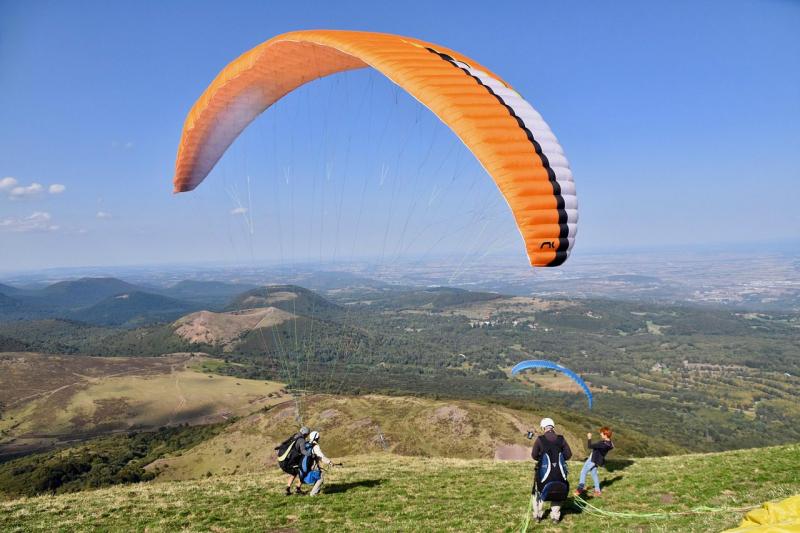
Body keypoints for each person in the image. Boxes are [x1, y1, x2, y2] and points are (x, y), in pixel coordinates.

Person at [531, 417, 572, 524]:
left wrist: (542, 458)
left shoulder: (540, 439)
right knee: (557, 491)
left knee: (538, 492)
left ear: (543, 427)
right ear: (552, 427)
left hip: (544, 473)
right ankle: (555, 517)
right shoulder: (561, 439)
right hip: (559, 473)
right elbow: (568, 455)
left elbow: (534, 455)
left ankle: (537, 516)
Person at [575, 426, 614, 497]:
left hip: (592, 459)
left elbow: (590, 446)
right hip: (598, 460)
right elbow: (610, 445)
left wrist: (589, 438)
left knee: (583, 472)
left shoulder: (602, 444)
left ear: (605, 434)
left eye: (602, 433)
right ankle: (598, 491)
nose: (600, 434)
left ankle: (579, 489)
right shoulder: (609, 443)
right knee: (594, 474)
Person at [275, 426, 311, 496]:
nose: (307, 435)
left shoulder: (295, 435)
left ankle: (287, 489)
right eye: (307, 434)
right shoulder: (302, 440)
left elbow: (286, 442)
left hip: (283, 461)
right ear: (305, 434)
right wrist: (310, 454)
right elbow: (303, 451)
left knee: (294, 472)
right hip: (289, 462)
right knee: (302, 472)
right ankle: (298, 489)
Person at [300, 430, 335, 496]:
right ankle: (313, 493)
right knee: (320, 478)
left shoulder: (307, 444)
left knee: (318, 476)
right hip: (313, 466)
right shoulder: (315, 446)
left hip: (308, 465)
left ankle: (316, 491)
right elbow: (321, 456)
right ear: (316, 438)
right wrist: (329, 462)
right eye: (318, 438)